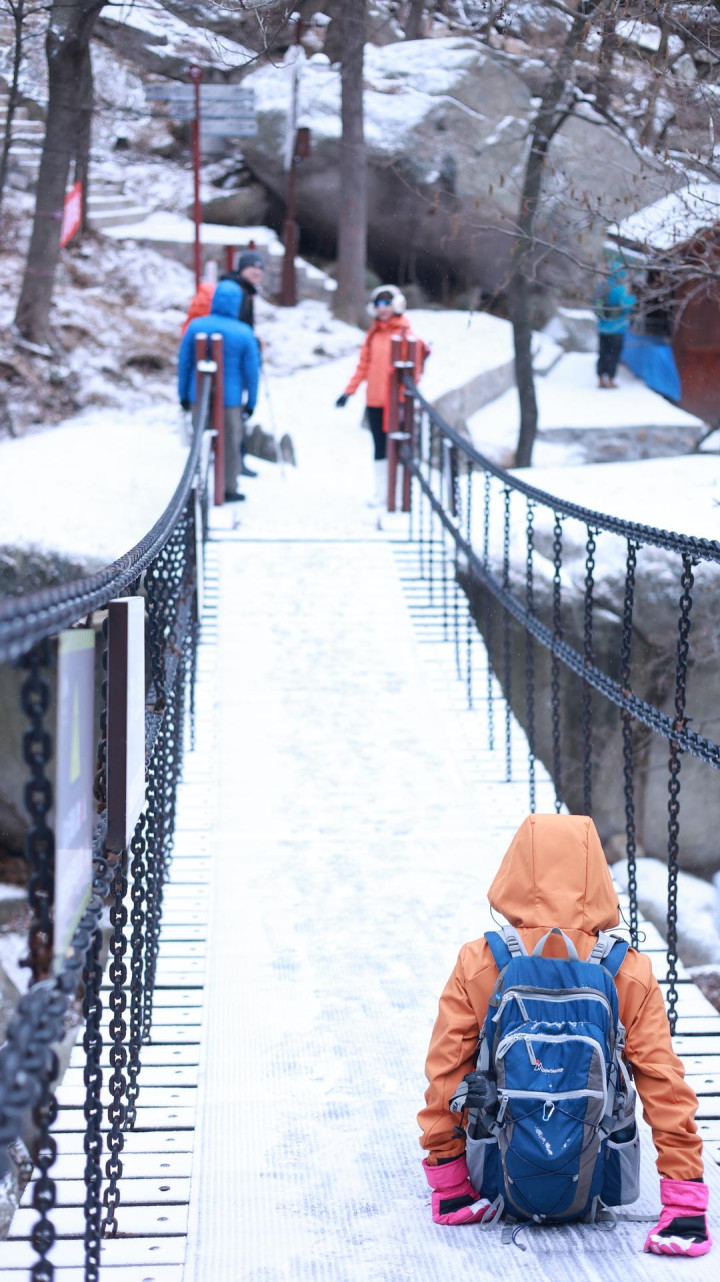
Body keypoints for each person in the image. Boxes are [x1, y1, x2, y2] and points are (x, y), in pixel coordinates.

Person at [418, 813, 711, 1256]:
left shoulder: (481, 961)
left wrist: (449, 1184)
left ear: (515, 870)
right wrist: (685, 1201)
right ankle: (682, 1205)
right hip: (598, 1177)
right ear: (596, 877)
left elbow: (446, 1073)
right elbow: (664, 1084)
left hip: (497, 1179)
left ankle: (464, 1184)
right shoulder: (627, 970)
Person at [335, 284, 429, 507]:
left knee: (397, 447)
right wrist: (348, 392)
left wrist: (405, 396)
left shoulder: (407, 336)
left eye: (387, 303)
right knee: (379, 446)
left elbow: (414, 371)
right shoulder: (373, 335)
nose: (383, 308)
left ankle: (399, 492)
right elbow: (363, 366)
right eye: (378, 304)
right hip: (374, 401)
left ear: (397, 305)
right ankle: (382, 492)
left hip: (397, 402)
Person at [181, 251, 265, 478]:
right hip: (231, 393)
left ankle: (196, 479)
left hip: (199, 391)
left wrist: (183, 395)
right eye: (253, 268)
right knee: (230, 438)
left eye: (260, 269)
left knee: (199, 436)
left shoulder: (197, 326)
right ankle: (228, 486)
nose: (257, 272)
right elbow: (252, 371)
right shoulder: (242, 323)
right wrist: (251, 401)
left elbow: (185, 362)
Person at [595, 266, 636, 388]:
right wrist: (633, 299)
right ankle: (610, 379)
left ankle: (600, 379)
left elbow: (596, 306)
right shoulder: (619, 289)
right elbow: (626, 306)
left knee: (602, 353)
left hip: (602, 328)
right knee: (613, 355)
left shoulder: (600, 287)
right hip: (616, 328)